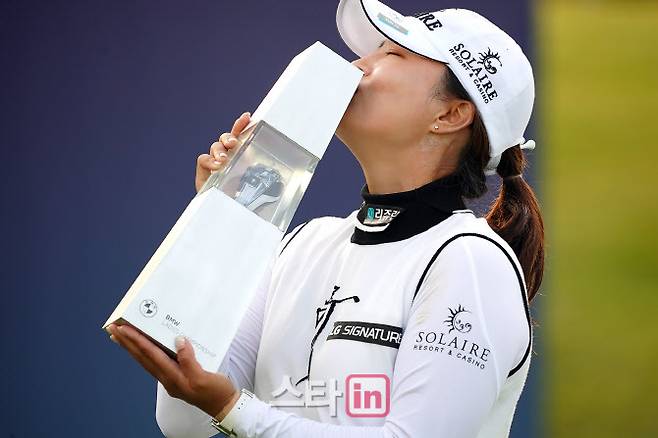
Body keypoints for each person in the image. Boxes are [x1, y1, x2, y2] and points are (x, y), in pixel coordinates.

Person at [106, 1, 545, 437]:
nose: (357, 65)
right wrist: (224, 219)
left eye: (392, 54)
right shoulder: (304, 244)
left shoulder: (472, 262)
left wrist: (234, 411)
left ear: (450, 115)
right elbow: (185, 421)